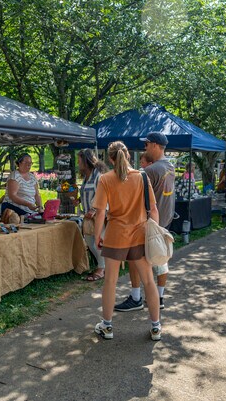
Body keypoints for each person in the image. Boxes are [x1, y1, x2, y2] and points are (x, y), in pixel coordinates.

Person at [93, 141, 162, 341]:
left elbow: (99, 214)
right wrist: (154, 233)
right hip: (140, 234)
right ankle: (156, 327)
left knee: (110, 282)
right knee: (149, 281)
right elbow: (154, 209)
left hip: (115, 235)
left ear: (110, 159)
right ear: (129, 155)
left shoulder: (105, 179)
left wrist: (98, 236)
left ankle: (107, 326)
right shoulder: (142, 176)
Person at [115, 132, 175, 312]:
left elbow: (131, 198)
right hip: (163, 221)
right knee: (161, 259)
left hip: (146, 223)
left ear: (155, 145)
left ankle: (136, 298)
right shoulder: (170, 166)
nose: (145, 147)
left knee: (135, 260)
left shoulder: (149, 171)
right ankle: (159, 296)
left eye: (147, 144)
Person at [77, 149, 109, 282]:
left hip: (98, 214)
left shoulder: (98, 175)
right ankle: (103, 265)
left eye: (79, 160)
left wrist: (94, 210)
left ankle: (102, 268)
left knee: (98, 241)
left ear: (86, 160)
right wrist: (78, 200)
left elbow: (103, 194)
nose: (78, 163)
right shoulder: (87, 176)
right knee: (90, 242)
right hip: (88, 216)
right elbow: (87, 193)